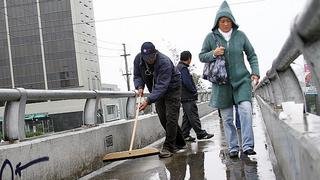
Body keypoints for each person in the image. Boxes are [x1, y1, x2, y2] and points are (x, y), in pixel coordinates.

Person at [199, 1, 260, 158]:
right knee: (227, 118)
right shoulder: (210, 38)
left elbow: (251, 55)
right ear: (217, 22)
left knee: (246, 110)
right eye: (222, 21)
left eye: (228, 21)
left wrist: (255, 72)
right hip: (222, 84)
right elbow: (201, 56)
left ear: (232, 21)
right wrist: (214, 53)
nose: (225, 24)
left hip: (242, 80)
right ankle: (233, 147)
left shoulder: (241, 36)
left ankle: (247, 146)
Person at [133, 42, 186, 158]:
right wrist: (140, 87)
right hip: (156, 90)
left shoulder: (164, 62)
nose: (149, 60)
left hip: (172, 88)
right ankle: (180, 142)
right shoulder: (138, 59)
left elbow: (162, 85)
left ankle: (169, 147)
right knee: (163, 118)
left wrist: (148, 100)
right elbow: (137, 75)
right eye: (146, 58)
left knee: (171, 117)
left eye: (151, 57)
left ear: (155, 53)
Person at [176, 51, 214, 141]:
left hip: (183, 96)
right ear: (189, 58)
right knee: (193, 115)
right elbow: (187, 82)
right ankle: (201, 134)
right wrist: (194, 91)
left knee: (187, 117)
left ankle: (184, 134)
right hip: (188, 96)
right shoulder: (183, 68)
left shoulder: (178, 67)